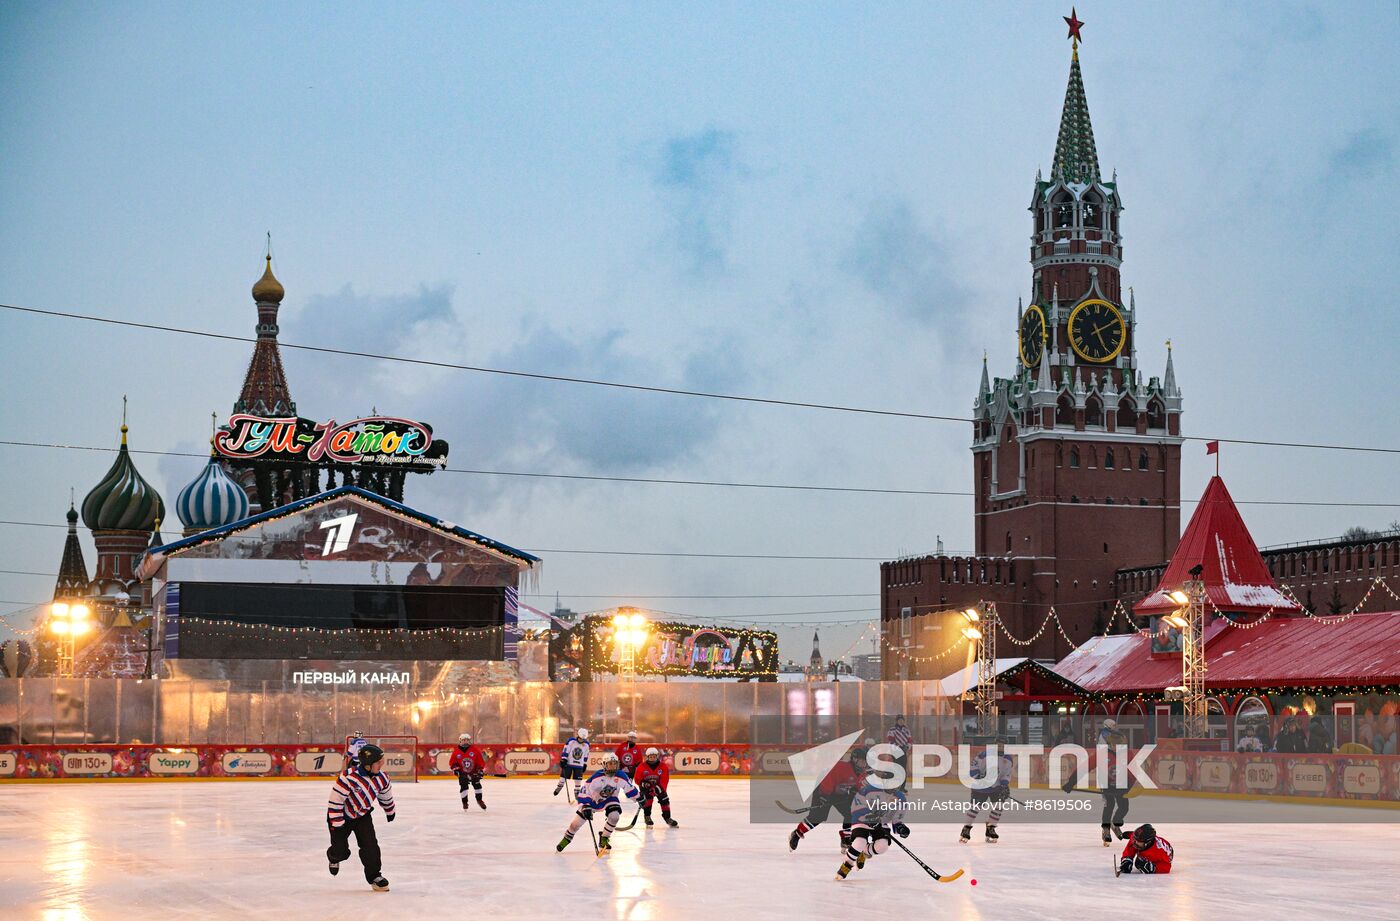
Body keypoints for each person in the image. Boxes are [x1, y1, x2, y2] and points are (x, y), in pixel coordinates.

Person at [326, 742, 394, 892]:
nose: (381, 765)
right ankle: (333, 857)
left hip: (362, 816)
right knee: (342, 851)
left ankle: (375, 876)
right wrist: (338, 824)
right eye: (378, 763)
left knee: (371, 846)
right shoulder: (348, 777)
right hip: (340, 816)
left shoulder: (382, 778)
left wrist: (390, 810)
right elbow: (335, 802)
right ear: (368, 765)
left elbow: (385, 795)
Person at [556, 754, 640, 854]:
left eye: (615, 764)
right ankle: (567, 838)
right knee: (575, 825)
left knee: (614, 817)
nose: (613, 766)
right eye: (610, 764)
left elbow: (629, 788)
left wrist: (639, 798)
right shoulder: (596, 777)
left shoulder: (621, 775)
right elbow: (585, 791)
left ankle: (604, 837)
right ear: (604, 765)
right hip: (592, 801)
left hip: (609, 799)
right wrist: (586, 805)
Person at [789, 745, 867, 852]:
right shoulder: (841, 767)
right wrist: (824, 795)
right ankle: (797, 833)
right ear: (855, 759)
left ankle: (846, 839)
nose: (864, 764)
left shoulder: (862, 773)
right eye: (862, 761)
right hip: (823, 789)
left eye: (866, 762)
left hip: (840, 793)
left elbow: (859, 787)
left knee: (851, 812)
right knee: (818, 817)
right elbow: (827, 777)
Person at [836, 777, 909, 880]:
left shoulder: (900, 798)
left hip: (880, 823)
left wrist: (900, 827)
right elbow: (856, 808)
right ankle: (847, 865)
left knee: (882, 846)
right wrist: (867, 817)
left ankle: (864, 852)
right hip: (861, 821)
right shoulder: (870, 790)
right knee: (859, 842)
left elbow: (897, 818)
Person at [960, 744, 1012, 844]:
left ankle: (991, 828)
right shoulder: (984, 755)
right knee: (975, 808)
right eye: (998, 744)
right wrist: (978, 776)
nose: (1000, 747)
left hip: (996, 788)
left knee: (998, 807)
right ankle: (966, 828)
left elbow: (1006, 774)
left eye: (1002, 745)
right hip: (980, 787)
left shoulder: (1008, 759)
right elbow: (973, 766)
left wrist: (1004, 785)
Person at [633, 747, 678, 827]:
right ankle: (647, 816)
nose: (652, 758)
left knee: (665, 800)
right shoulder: (642, 766)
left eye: (654, 756)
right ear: (647, 757)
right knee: (648, 801)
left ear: (657, 756)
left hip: (659, 788)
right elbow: (637, 779)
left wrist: (659, 788)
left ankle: (667, 818)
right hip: (647, 789)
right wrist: (643, 784)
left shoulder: (663, 766)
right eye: (651, 757)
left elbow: (664, 780)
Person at [448, 732, 487, 810]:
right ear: (460, 741)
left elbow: (480, 761)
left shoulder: (475, 750)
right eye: (464, 740)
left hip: (474, 772)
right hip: (462, 773)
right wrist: (456, 770)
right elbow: (452, 763)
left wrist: (479, 770)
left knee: (477, 786)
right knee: (464, 787)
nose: (465, 741)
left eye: (467, 740)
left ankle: (479, 800)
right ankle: (465, 802)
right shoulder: (456, 752)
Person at [554, 727, 590, 799]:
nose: (581, 740)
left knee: (578, 780)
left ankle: (577, 793)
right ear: (578, 735)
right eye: (580, 738)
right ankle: (559, 786)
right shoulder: (571, 741)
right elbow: (566, 750)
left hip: (579, 765)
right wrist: (564, 759)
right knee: (563, 777)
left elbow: (586, 755)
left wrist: (585, 764)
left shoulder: (586, 745)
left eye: (583, 739)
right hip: (569, 763)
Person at [885, 715, 913, 789]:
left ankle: (902, 787)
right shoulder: (892, 729)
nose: (901, 721)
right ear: (897, 721)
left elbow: (910, 740)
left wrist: (907, 746)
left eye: (902, 720)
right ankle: (895, 785)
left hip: (903, 751)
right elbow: (890, 740)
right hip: (896, 752)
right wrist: (898, 747)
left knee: (903, 769)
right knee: (897, 768)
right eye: (899, 720)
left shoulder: (906, 730)